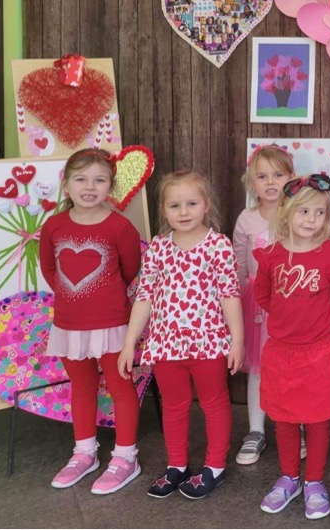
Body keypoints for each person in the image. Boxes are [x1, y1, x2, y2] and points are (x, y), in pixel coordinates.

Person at [118, 171, 242, 500]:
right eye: (174, 205)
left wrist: (237, 341)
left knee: (214, 403)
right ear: (164, 210)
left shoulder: (218, 245)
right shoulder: (158, 248)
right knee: (174, 405)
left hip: (209, 342)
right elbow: (144, 297)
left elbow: (230, 295)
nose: (183, 211)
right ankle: (177, 465)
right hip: (165, 344)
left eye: (191, 203)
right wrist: (129, 344)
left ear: (206, 205)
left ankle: (215, 466)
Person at [40, 148, 143, 494]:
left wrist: (102, 301)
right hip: (69, 324)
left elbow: (130, 270)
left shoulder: (120, 227)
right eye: (81, 179)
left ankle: (126, 457)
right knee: (81, 387)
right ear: (66, 184)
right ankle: (85, 452)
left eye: (99, 180)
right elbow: (50, 269)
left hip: (112, 324)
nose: (89, 187)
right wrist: (74, 301)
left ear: (110, 186)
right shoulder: (53, 226)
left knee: (120, 387)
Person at [254, 173, 330, 520]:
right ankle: (289, 478)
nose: (312, 220)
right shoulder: (271, 255)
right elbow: (263, 295)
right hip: (282, 352)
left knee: (317, 419)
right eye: (304, 212)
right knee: (283, 418)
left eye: (320, 213)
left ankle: (314, 481)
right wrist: (289, 320)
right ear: (286, 212)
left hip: (320, 351)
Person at [233, 144, 295, 466]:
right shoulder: (247, 219)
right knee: (257, 370)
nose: (270, 182)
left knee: (290, 368)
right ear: (251, 182)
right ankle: (256, 430)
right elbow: (239, 265)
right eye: (262, 176)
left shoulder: (296, 213)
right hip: (257, 306)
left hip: (291, 303)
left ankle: (294, 426)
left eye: (278, 175)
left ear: (291, 178)